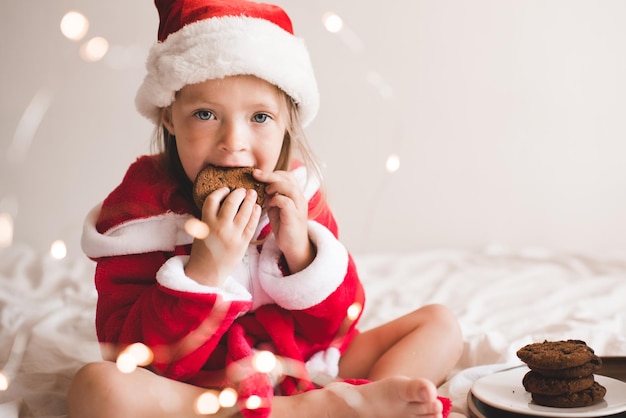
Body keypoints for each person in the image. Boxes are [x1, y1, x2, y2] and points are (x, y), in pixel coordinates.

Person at [67, 1, 463, 417]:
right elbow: (131, 353)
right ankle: (318, 410)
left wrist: (301, 253)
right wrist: (204, 272)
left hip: (304, 363)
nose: (233, 141)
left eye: (259, 116)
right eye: (205, 114)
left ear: (287, 122)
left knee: (440, 325)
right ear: (169, 117)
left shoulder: (297, 198)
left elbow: (336, 327)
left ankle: (372, 396)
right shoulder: (140, 219)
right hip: (203, 385)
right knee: (97, 388)